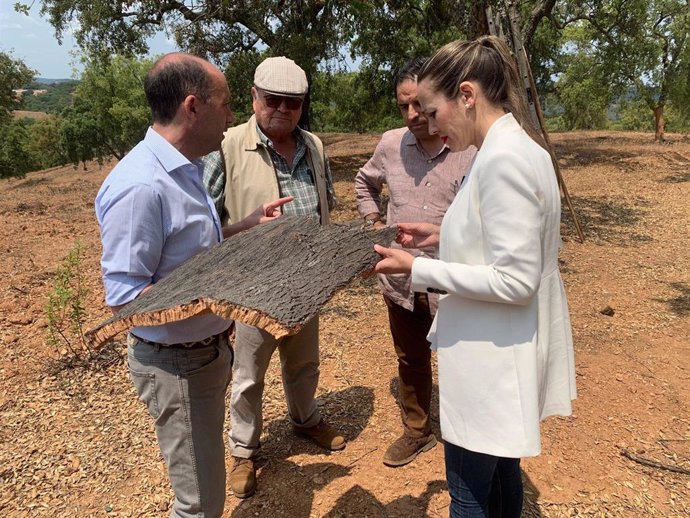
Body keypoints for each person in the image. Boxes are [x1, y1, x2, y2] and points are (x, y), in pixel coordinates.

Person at [373, 36, 577, 517]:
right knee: (503, 474)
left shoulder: (501, 160)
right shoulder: (519, 149)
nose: (426, 123)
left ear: (466, 96)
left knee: (467, 494)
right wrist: (441, 234)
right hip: (502, 350)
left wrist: (418, 268)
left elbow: (515, 279)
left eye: (430, 110)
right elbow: (504, 239)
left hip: (489, 360)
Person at [95, 53, 292, 518]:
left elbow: (186, 251)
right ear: (192, 107)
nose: (232, 116)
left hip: (203, 353)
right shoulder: (141, 185)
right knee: (199, 503)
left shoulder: (185, 167)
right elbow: (125, 297)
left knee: (205, 487)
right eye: (225, 104)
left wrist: (243, 226)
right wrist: (219, 292)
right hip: (176, 365)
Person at [202, 56, 343, 499]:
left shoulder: (315, 146)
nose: (282, 108)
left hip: (306, 284)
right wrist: (240, 232)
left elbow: (328, 203)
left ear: (302, 105)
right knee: (248, 374)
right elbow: (201, 228)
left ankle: (305, 420)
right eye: (273, 100)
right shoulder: (225, 146)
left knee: (304, 362)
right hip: (252, 288)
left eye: (293, 102)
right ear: (254, 98)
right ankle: (244, 452)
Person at [355, 57, 475, 467]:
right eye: (403, 105)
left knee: (462, 359)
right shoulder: (390, 144)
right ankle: (417, 430)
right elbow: (363, 181)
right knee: (410, 358)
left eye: (419, 105)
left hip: (454, 282)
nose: (411, 115)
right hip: (400, 284)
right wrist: (373, 221)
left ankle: (468, 435)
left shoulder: (468, 147)